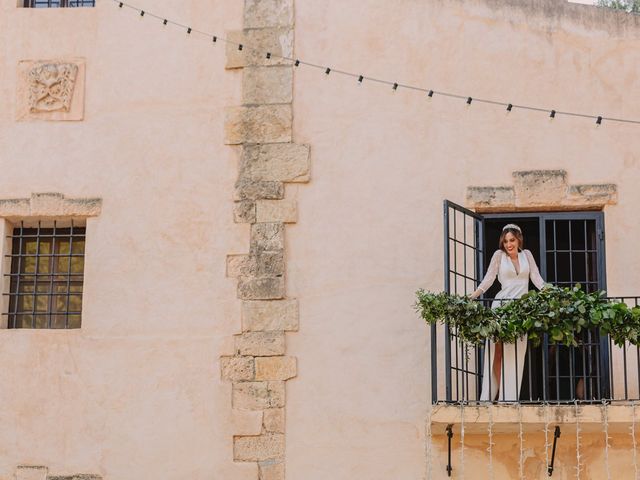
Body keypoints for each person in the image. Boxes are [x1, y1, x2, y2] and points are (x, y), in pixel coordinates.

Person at [470, 224, 546, 401]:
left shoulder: (527, 255)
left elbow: (537, 278)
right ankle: (492, 397)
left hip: (521, 312)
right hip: (501, 309)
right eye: (505, 241)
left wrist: (553, 295)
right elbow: (489, 278)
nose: (509, 244)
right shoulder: (499, 256)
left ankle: (508, 398)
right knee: (497, 353)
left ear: (519, 239)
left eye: (511, 240)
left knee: (516, 355)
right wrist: (473, 295)